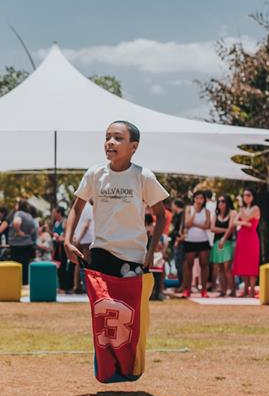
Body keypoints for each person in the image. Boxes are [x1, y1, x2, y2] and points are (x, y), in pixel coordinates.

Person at [64, 120, 168, 278]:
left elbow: (161, 216)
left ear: (134, 147)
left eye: (118, 138)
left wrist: (151, 251)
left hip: (134, 256)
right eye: (107, 137)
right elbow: (76, 208)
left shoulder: (143, 176)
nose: (110, 142)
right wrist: (67, 241)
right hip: (100, 253)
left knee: (130, 303)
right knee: (103, 303)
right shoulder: (95, 174)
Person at [221, 188, 260, 297]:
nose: (246, 197)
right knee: (243, 263)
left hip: (251, 239)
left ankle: (252, 290)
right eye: (244, 195)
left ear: (253, 197)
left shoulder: (255, 208)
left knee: (252, 264)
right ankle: (246, 289)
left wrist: (241, 207)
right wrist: (244, 223)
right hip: (242, 239)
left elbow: (247, 217)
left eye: (248, 195)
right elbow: (234, 222)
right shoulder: (243, 209)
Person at [181, 191, 213, 298]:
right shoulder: (189, 209)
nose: (199, 200)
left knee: (204, 266)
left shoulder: (207, 211)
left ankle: (204, 290)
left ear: (204, 200)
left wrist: (194, 224)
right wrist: (194, 213)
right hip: (190, 240)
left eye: (201, 198)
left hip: (203, 241)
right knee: (188, 265)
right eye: (197, 198)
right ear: (194, 199)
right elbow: (187, 223)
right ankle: (187, 290)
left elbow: (207, 226)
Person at [210, 194, 237, 296]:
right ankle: (223, 290)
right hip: (217, 243)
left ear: (228, 202)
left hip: (227, 243)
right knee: (219, 268)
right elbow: (212, 228)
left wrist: (223, 238)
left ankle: (232, 290)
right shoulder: (215, 215)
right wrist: (226, 230)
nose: (221, 203)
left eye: (223, 201)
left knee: (227, 268)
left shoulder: (232, 213)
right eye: (219, 201)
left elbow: (232, 228)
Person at [7, 199, 38, 285]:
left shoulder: (19, 213)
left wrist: (18, 231)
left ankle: (17, 285)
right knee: (25, 267)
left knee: (17, 266)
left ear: (19, 205)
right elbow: (34, 229)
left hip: (17, 244)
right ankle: (25, 284)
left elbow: (16, 222)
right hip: (28, 244)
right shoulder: (29, 215)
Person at [71, 201, 94, 293]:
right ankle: (87, 287)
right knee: (87, 264)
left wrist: (75, 238)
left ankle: (77, 286)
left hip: (79, 238)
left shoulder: (79, 207)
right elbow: (86, 225)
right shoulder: (89, 208)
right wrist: (79, 239)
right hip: (87, 239)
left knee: (78, 263)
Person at [167, 199, 186, 289]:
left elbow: (181, 229)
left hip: (180, 242)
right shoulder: (176, 216)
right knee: (178, 264)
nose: (172, 207)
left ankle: (183, 285)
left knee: (180, 264)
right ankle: (181, 284)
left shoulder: (182, 215)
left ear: (176, 205)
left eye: (173, 205)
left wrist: (178, 240)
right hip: (176, 241)